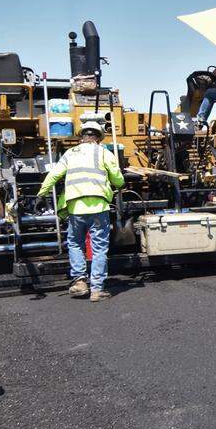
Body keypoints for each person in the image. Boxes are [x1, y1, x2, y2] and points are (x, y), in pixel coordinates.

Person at [36, 121, 124, 301]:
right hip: (99, 207)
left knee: (76, 243)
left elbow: (54, 175)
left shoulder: (70, 153)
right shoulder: (104, 152)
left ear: (81, 137)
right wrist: (120, 184)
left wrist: (42, 194)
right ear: (98, 138)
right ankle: (97, 290)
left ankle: (80, 282)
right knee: (99, 248)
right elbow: (117, 179)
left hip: (75, 208)